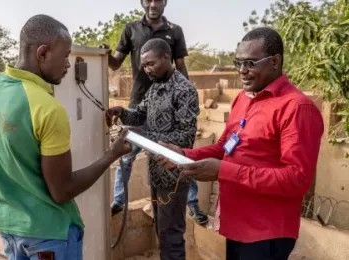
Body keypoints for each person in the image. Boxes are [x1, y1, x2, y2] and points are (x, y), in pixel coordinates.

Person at [156, 27, 324, 260]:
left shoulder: (296, 108)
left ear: (275, 61)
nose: (242, 71)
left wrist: (223, 171)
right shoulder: (244, 98)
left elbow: (297, 179)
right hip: (237, 223)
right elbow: (226, 146)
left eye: (250, 63)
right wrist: (184, 154)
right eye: (238, 63)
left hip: (266, 231)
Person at [0, 14, 131, 260]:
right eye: (65, 55)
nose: (68, 65)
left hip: (8, 226)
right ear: (43, 53)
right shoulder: (47, 108)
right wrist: (112, 154)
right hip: (49, 233)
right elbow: (62, 191)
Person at [102, 0, 208, 225]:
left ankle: (192, 204)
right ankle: (118, 201)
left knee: (179, 158)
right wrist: (121, 111)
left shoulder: (174, 32)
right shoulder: (131, 29)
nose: (152, 4)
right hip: (142, 103)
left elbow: (184, 139)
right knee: (127, 159)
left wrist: (183, 94)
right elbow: (115, 64)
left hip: (170, 108)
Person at [106, 38, 199, 260]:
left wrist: (144, 137)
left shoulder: (184, 90)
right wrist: (122, 112)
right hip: (157, 174)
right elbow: (139, 114)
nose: (146, 70)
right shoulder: (155, 87)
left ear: (166, 58)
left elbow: (185, 138)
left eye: (151, 64)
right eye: (144, 66)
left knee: (171, 236)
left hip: (175, 177)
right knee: (162, 230)